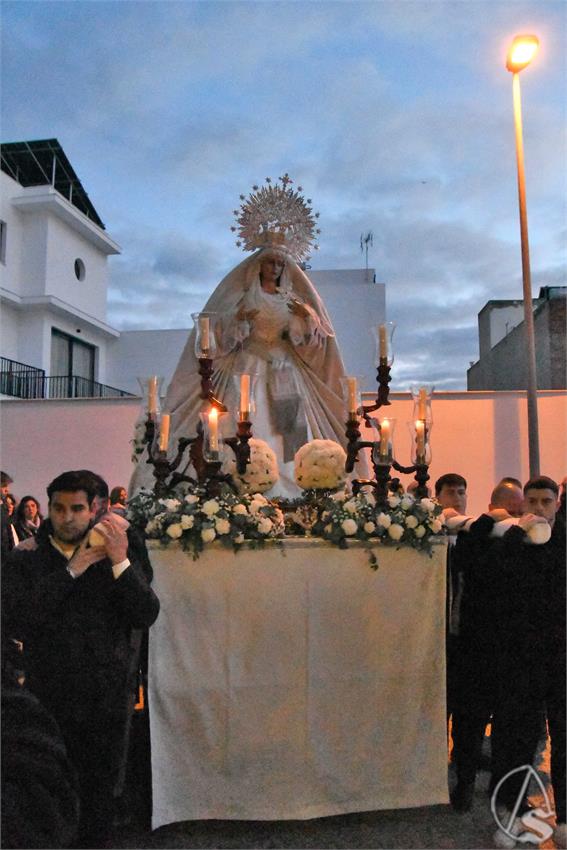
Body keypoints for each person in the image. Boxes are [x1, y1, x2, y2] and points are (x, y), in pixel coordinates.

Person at [2, 470, 160, 848]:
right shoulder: (28, 556)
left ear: (94, 510)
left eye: (77, 509)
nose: (67, 518)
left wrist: (119, 561)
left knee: (100, 786)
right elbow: (19, 618)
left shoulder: (117, 550)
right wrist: (73, 570)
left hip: (105, 691)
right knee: (52, 780)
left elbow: (145, 613)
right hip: (48, 690)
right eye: (59, 508)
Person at [488, 476, 565, 847]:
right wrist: (517, 536)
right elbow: (496, 589)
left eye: (545, 502)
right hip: (520, 656)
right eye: (532, 501)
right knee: (517, 738)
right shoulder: (511, 542)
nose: (538, 508)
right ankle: (514, 811)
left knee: (563, 737)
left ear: (557, 504)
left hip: (560, 655)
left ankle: (564, 818)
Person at [448, 479, 524, 812]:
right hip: (476, 644)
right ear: (496, 507)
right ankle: (464, 784)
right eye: (512, 509)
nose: (517, 515)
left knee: (507, 724)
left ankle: (500, 786)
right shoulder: (476, 535)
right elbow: (466, 564)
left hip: (511, 646)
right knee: (470, 721)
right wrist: (488, 526)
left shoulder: (526, 537)